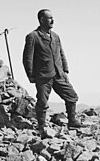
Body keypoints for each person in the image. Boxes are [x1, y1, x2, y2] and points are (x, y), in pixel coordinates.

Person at [22, 9, 87, 137]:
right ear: (41, 19)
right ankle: (41, 126)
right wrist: (30, 74)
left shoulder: (56, 36)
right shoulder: (33, 36)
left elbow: (61, 53)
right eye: (49, 18)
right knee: (42, 102)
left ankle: (72, 121)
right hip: (43, 75)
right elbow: (27, 58)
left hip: (59, 73)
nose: (53, 20)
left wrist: (65, 70)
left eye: (53, 18)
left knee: (72, 96)